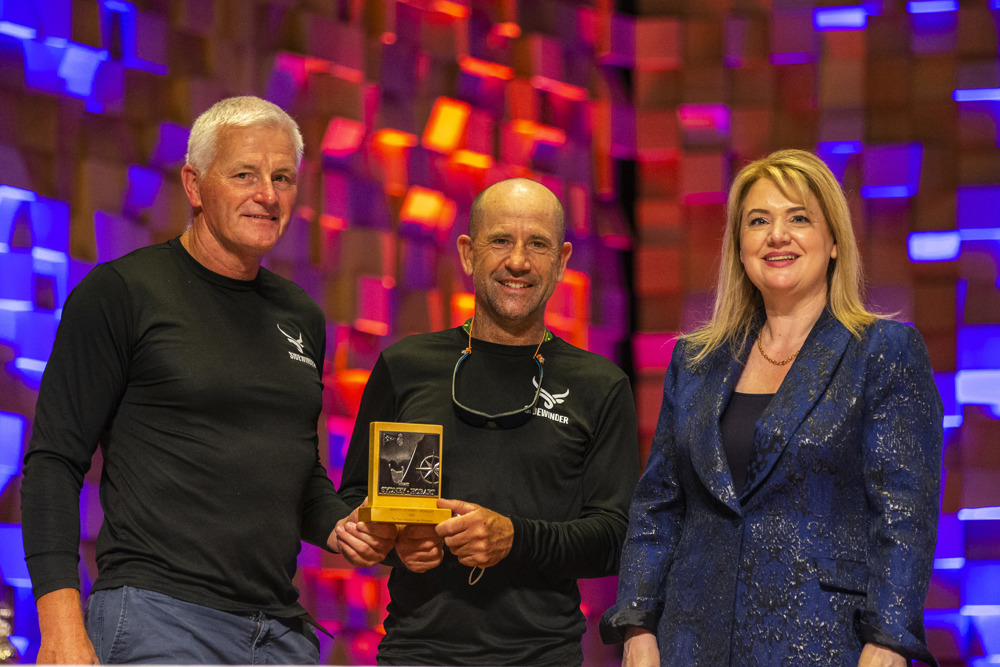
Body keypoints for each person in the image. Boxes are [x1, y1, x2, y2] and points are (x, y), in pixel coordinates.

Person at [20, 96, 396, 665]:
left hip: (280, 635)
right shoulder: (121, 293)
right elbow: (53, 461)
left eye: (282, 177)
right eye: (244, 174)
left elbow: (296, 470)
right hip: (158, 620)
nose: (267, 195)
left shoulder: (301, 316)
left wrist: (341, 525)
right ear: (194, 185)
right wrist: (60, 623)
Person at [600, 149, 942, 666]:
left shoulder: (884, 352)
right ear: (739, 247)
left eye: (798, 218)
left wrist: (890, 639)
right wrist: (637, 625)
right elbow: (659, 506)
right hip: (690, 642)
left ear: (832, 243)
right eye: (758, 221)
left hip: (827, 643)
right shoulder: (695, 361)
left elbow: (902, 516)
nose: (776, 235)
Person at [338, 177, 640, 666]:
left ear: (562, 262)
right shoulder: (407, 365)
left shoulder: (599, 384)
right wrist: (391, 542)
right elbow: (355, 499)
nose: (517, 261)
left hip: (541, 656)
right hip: (417, 654)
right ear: (467, 253)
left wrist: (515, 538)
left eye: (537, 244)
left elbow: (614, 537)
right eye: (500, 240)